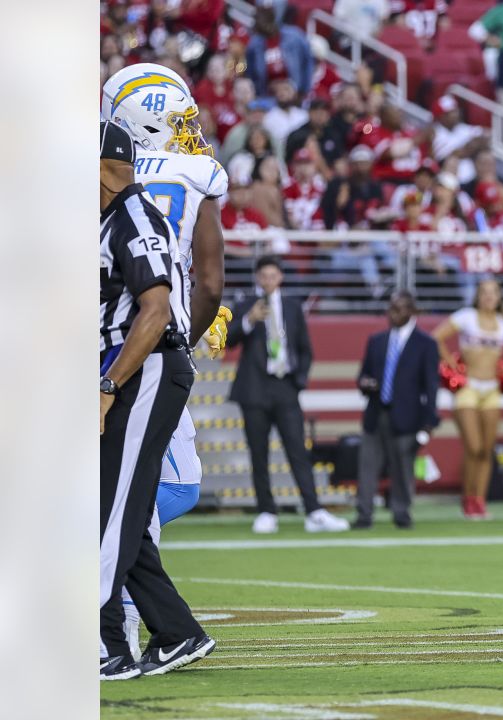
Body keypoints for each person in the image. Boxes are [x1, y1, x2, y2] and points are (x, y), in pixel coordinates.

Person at [101, 63, 234, 660]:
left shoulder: (110, 182)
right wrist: (188, 331)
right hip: (154, 349)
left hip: (123, 350)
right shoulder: (195, 174)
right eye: (178, 122)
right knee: (122, 494)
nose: (190, 133)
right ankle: (169, 626)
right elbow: (208, 283)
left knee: (117, 497)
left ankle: (118, 624)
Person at [227, 256, 351, 534]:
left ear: (280, 277)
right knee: (258, 453)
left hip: (285, 386)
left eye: (273, 275)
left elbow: (305, 349)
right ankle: (266, 511)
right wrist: (248, 321)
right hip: (254, 388)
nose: (269, 280)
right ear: (258, 278)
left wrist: (299, 380)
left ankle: (314, 511)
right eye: (264, 276)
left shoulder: (294, 307)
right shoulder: (247, 304)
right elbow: (228, 340)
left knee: (297, 450)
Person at [433, 279, 503, 519]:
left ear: (500, 297)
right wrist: (451, 365)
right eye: (484, 292)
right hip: (467, 388)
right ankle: (467, 498)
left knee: (486, 450)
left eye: (493, 292)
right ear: (477, 296)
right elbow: (436, 337)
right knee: (473, 447)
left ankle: (479, 500)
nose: (489, 297)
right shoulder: (466, 316)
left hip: (491, 390)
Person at [354, 291, 441, 529]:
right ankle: (364, 513)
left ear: (412, 312)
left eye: (399, 308)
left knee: (403, 468)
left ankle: (401, 512)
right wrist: (365, 383)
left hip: (407, 416)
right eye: (390, 308)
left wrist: (429, 421)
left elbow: (431, 386)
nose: (392, 313)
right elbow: (363, 375)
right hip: (376, 411)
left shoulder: (426, 344)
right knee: (367, 465)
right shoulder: (377, 340)